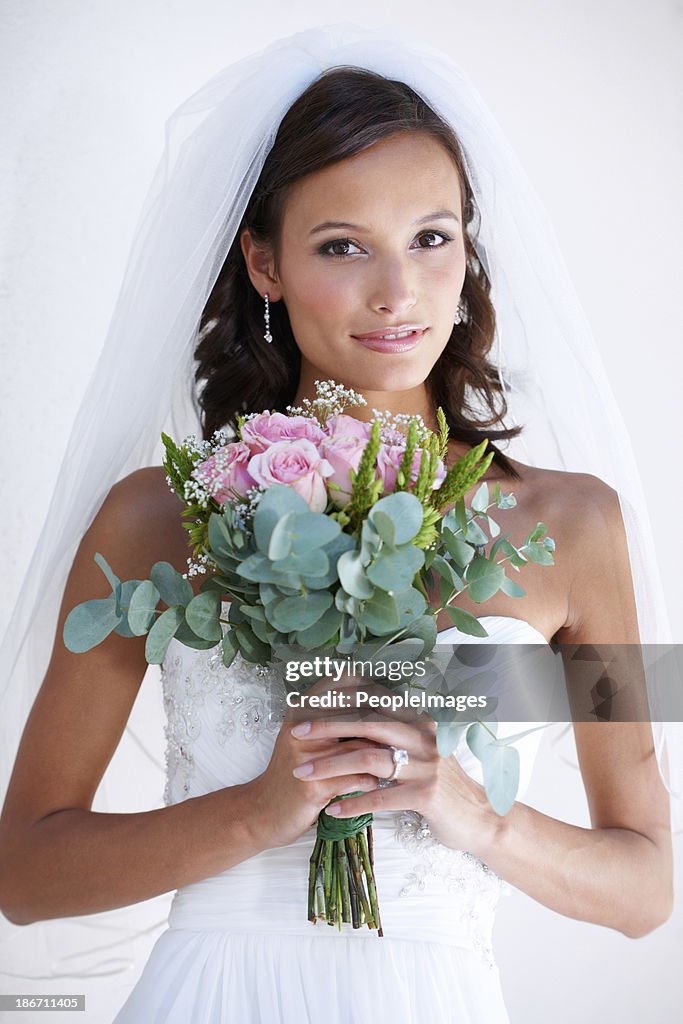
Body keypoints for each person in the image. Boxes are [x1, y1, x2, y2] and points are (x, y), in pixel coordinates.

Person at [0, 23, 677, 1024]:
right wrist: (260, 812)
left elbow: (645, 888)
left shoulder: (573, 526)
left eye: (429, 237)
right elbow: (24, 871)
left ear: (466, 248)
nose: (396, 292)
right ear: (262, 263)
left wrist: (471, 813)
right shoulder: (159, 514)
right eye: (340, 245)